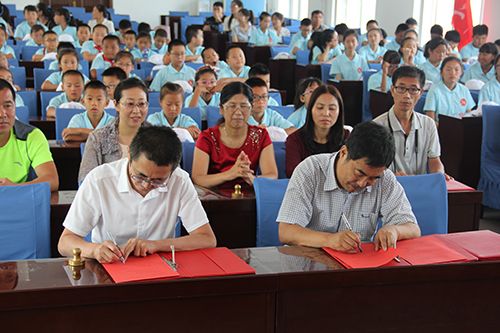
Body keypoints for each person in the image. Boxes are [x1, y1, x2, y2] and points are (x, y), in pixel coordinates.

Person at [59, 125, 216, 263]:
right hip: (109, 267)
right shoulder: (99, 180)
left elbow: (207, 238)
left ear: (173, 170)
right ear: (129, 154)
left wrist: (156, 245)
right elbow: (65, 242)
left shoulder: (179, 180)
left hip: (159, 266)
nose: (146, 185)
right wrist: (94, 250)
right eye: (140, 176)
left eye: (158, 181)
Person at [277, 121, 420, 252]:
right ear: (344, 152)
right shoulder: (311, 170)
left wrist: (394, 230)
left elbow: (413, 228)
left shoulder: (385, 179)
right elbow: (286, 232)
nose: (362, 184)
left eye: (372, 178)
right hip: (309, 262)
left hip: (357, 267)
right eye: (359, 173)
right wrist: (330, 240)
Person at [192, 82, 278, 189]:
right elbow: (197, 178)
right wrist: (231, 174)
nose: (238, 112)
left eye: (243, 106)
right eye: (232, 106)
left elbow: (272, 175)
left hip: (251, 197)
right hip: (215, 198)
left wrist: (253, 179)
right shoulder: (207, 137)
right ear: (221, 109)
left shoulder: (261, 136)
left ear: (251, 109)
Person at [374, 66, 449, 178]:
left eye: (413, 90)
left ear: (421, 93)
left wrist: (438, 176)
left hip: (420, 188)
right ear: (393, 90)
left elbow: (434, 160)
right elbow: (371, 167)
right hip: (388, 189)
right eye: (401, 88)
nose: (407, 95)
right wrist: (391, 177)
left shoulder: (428, 124)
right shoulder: (376, 126)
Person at [79, 78, 149, 183]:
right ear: (116, 105)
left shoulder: (158, 137)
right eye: (130, 104)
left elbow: (171, 177)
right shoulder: (98, 138)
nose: (136, 110)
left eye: (141, 104)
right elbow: (86, 180)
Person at [0, 79, 59, 191]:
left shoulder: (31, 136)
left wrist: (14, 188)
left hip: (20, 203)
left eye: (7, 106)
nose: (2, 114)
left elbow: (52, 180)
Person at [286, 84, 346, 177]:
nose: (326, 113)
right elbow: (293, 174)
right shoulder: (295, 140)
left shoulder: (346, 137)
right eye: (320, 107)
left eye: (332, 108)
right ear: (310, 109)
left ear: (339, 112)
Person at [424, 56, 475, 123]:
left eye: (456, 70)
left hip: (461, 128)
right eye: (448, 70)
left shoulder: (464, 90)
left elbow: (469, 115)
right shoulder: (434, 90)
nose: (453, 73)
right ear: (441, 72)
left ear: (461, 73)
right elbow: (430, 120)